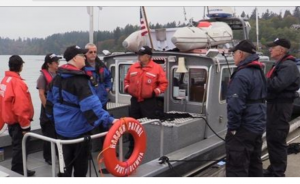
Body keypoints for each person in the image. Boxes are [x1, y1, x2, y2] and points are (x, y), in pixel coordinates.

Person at [46, 45, 117, 177]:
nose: (84, 57)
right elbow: (92, 106)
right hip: (78, 131)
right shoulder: (80, 81)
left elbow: (49, 105)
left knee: (64, 166)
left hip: (61, 130)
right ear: (74, 58)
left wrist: (55, 120)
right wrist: (111, 120)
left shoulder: (56, 78)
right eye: (82, 55)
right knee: (80, 167)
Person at [226, 40, 267, 177]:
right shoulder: (258, 71)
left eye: (234, 53)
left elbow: (235, 104)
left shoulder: (241, 75)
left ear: (241, 54)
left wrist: (233, 128)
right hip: (257, 124)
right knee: (254, 163)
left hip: (244, 127)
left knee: (236, 166)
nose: (233, 56)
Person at [264, 38, 300, 177]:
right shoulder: (281, 64)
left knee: (277, 138)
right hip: (275, 105)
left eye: (273, 47)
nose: (270, 49)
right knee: (272, 137)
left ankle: (278, 173)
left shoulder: (288, 66)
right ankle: (274, 168)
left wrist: (262, 80)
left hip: (281, 106)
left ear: (281, 50)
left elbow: (277, 85)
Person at [124, 46, 168, 159]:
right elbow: (126, 80)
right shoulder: (133, 67)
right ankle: (132, 148)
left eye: (141, 54)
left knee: (148, 125)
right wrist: (128, 88)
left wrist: (155, 92)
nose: (139, 56)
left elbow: (163, 84)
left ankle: (147, 149)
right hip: (135, 102)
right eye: (138, 54)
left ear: (148, 56)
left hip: (149, 102)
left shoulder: (157, 68)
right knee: (132, 125)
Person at [0, 55, 35, 176]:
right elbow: (21, 107)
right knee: (20, 148)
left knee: (17, 147)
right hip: (18, 123)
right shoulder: (18, 83)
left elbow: (2, 103)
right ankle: (18, 172)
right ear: (20, 66)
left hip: (10, 122)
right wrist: (25, 126)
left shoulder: (5, 80)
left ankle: (20, 169)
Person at [84, 43, 112, 151]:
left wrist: (108, 88)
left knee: (104, 125)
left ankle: (107, 149)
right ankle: (88, 151)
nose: (93, 54)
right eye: (90, 52)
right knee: (88, 126)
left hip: (102, 101)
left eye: (95, 52)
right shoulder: (82, 68)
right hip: (89, 104)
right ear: (85, 53)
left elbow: (108, 77)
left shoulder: (101, 66)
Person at [36, 53, 61, 165]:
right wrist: (48, 108)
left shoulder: (59, 74)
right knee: (49, 132)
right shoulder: (42, 77)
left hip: (58, 107)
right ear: (48, 64)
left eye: (58, 61)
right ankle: (48, 157)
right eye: (55, 62)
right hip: (48, 107)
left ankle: (58, 154)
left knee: (57, 132)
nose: (58, 64)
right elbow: (41, 94)